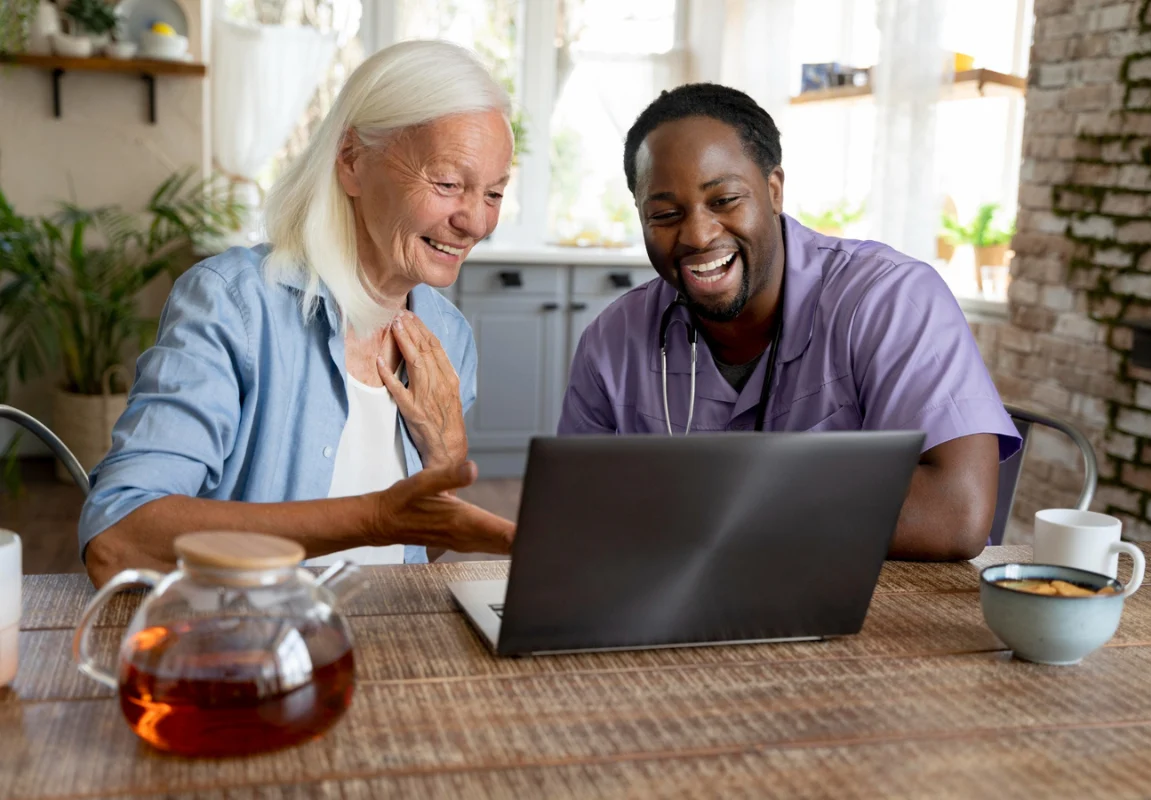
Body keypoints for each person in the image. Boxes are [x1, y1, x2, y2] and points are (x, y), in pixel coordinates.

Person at [80, 40, 517, 587]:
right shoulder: (234, 305)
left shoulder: (449, 337)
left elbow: (412, 553)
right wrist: (372, 517)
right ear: (352, 160)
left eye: (495, 193)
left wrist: (444, 464)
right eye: (449, 184)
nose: (476, 222)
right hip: (247, 650)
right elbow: (119, 543)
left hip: (390, 648)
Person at [558, 83, 1021, 561]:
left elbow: (954, 515)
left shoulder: (891, 298)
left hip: (879, 613)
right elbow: (573, 511)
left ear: (774, 190)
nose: (697, 234)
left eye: (725, 200)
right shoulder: (611, 340)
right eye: (666, 214)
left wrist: (700, 499)